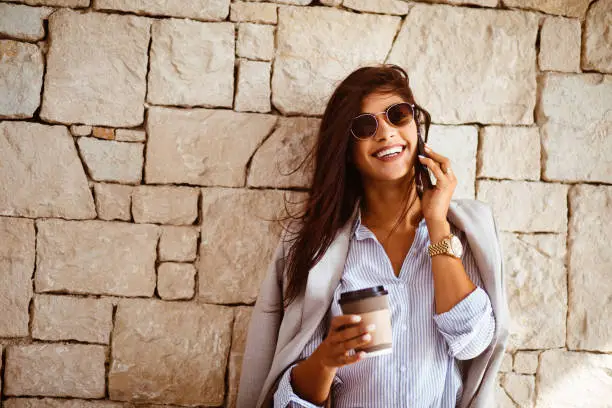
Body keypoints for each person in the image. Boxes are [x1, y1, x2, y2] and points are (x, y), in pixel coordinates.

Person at [237, 64, 509, 408]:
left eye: (397, 115)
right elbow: (289, 404)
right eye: (365, 126)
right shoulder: (315, 248)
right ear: (347, 150)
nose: (386, 133)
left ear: (415, 125)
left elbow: (473, 343)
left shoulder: (469, 233)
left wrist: (437, 221)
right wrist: (326, 359)